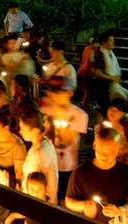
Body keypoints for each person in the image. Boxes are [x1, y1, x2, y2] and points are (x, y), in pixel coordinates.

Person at [40, 75, 88, 205]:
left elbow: (66, 140)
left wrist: (57, 113)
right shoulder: (44, 111)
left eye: (60, 92)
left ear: (70, 93)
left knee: (63, 201)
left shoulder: (79, 115)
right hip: (46, 162)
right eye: (53, 92)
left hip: (66, 166)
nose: (56, 96)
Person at [65, 128, 128, 223]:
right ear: (94, 145)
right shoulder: (80, 172)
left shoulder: (126, 173)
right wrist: (83, 205)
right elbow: (68, 201)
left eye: (110, 152)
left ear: (118, 148)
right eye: (101, 150)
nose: (104, 156)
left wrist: (119, 211)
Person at [19, 109, 59, 204]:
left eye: (23, 129)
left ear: (35, 130)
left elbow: (36, 188)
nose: (20, 132)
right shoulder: (45, 143)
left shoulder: (40, 154)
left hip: (38, 205)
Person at [93, 31, 125, 116]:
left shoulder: (111, 54)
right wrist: (112, 78)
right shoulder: (101, 54)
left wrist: (117, 77)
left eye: (113, 40)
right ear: (104, 42)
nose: (113, 42)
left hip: (113, 85)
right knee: (104, 109)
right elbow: (97, 72)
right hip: (104, 87)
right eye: (111, 40)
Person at [94, 98, 128, 166]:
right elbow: (97, 146)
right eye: (111, 108)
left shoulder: (127, 128)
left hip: (124, 165)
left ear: (124, 114)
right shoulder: (100, 127)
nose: (113, 111)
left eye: (118, 110)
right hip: (105, 163)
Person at [77, 34, 99, 110]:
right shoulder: (93, 50)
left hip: (81, 71)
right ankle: (84, 105)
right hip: (86, 73)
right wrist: (94, 72)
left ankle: (85, 105)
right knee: (88, 92)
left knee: (86, 91)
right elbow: (90, 61)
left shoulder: (86, 48)